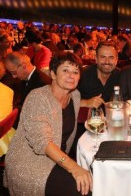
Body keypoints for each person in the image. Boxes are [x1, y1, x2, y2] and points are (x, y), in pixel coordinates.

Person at [4, 52, 92, 196]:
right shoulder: (38, 97)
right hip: (30, 162)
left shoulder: (75, 96)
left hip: (58, 159)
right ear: (52, 74)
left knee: (94, 181)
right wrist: (74, 167)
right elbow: (42, 143)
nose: (71, 75)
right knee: (83, 190)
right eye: (65, 70)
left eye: (76, 72)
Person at [78, 40, 120, 108]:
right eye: (103, 57)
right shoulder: (82, 75)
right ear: (96, 59)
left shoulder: (121, 76)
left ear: (117, 59)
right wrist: (86, 102)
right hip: (86, 117)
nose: (107, 61)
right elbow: (64, 101)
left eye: (111, 57)